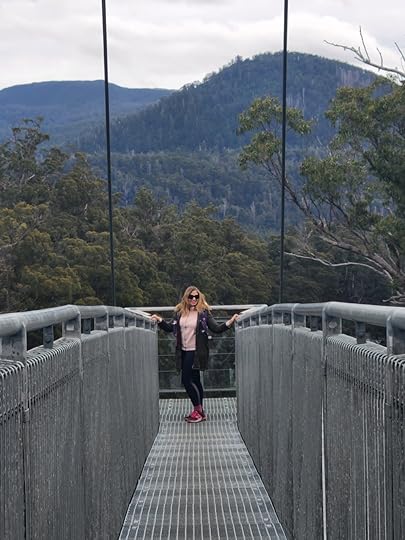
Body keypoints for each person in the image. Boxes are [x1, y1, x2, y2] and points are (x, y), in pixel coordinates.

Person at [151, 286, 239, 423]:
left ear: (200, 298)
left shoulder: (203, 313)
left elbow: (216, 328)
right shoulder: (180, 312)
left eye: (196, 297)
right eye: (191, 297)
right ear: (186, 297)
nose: (193, 299)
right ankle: (200, 412)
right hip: (183, 351)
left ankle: (197, 411)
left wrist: (230, 322)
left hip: (196, 351)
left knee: (186, 380)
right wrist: (159, 320)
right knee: (195, 380)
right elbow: (170, 328)